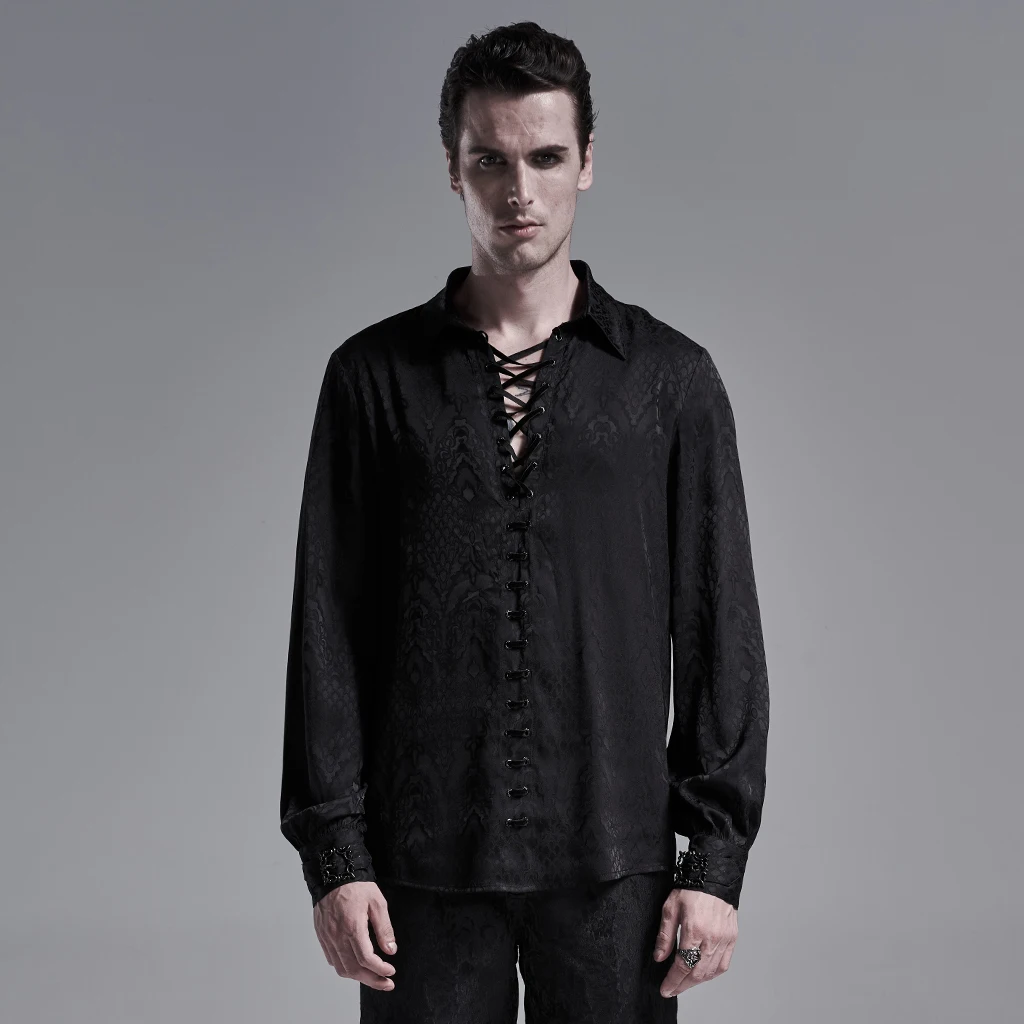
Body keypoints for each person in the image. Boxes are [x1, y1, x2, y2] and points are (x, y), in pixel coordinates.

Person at [279, 20, 769, 1023]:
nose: (519, 191)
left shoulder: (669, 382)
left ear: (586, 162)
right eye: (489, 161)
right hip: (419, 870)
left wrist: (714, 864)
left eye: (545, 157)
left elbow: (720, 625)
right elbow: (326, 627)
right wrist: (335, 857)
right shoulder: (371, 380)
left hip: (616, 869)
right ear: (451, 169)